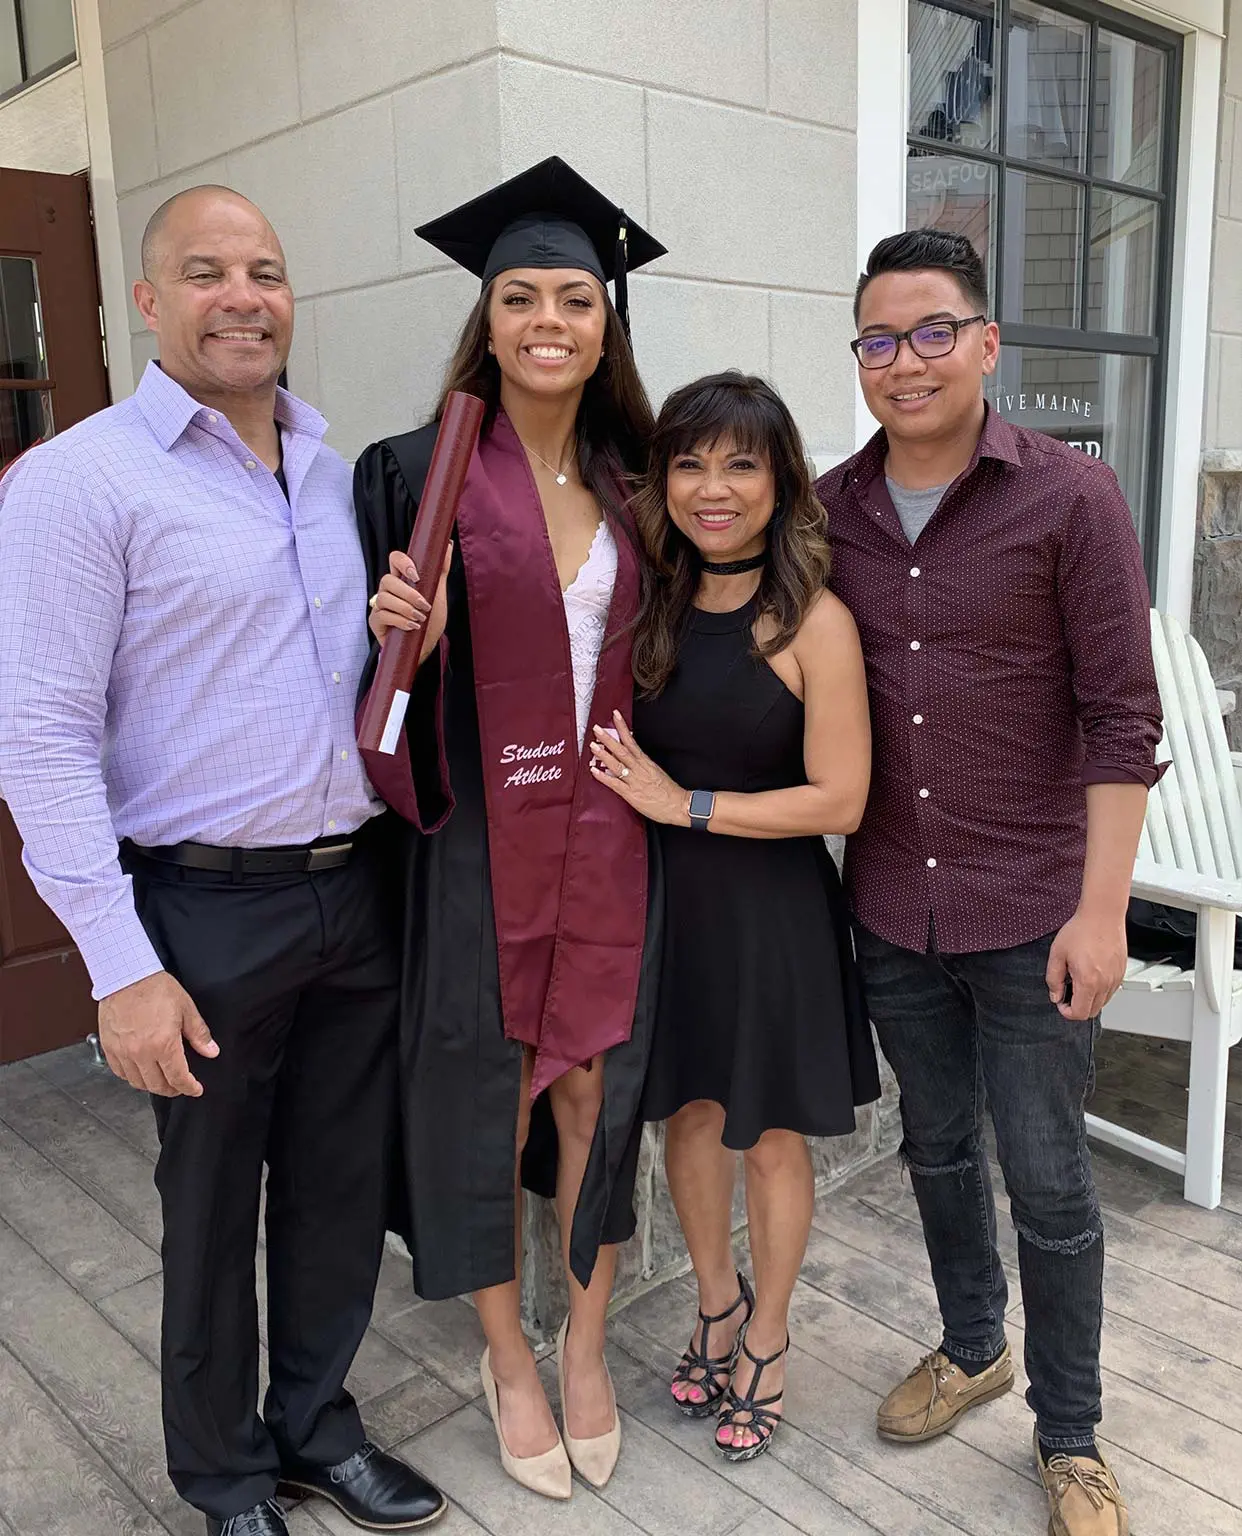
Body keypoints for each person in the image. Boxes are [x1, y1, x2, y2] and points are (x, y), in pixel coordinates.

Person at [0, 186, 445, 1536]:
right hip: (197, 909)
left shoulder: (332, 471)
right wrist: (119, 968)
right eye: (205, 272)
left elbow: (326, 687)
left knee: (333, 1190)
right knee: (208, 1210)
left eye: (265, 268)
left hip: (349, 891)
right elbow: (40, 734)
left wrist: (397, 641)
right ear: (148, 301)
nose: (242, 295)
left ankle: (314, 1425)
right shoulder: (80, 480)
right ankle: (222, 1470)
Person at [818, 229, 1163, 1536]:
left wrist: (1100, 908)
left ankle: (1068, 1436)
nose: (900, 362)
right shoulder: (830, 507)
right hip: (893, 909)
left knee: (1049, 1178)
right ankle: (973, 1345)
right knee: (935, 1147)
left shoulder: (1070, 497)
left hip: (1033, 913)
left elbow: (1120, 716)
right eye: (875, 340)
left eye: (927, 333)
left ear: (982, 344)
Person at [357, 158, 663, 1499]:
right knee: (486, 1088)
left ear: (607, 326)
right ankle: (506, 1351)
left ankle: (584, 1338)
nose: (550, 320)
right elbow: (368, 701)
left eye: (577, 298)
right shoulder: (410, 476)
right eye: (520, 296)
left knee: (597, 1083)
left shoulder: (641, 479)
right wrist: (395, 650)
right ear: (484, 318)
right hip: (478, 839)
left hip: (612, 831)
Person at [588, 371, 879, 1462]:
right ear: (663, 481)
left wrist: (685, 803)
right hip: (667, 912)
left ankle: (766, 1336)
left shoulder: (814, 622)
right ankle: (715, 1299)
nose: (715, 487)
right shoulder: (649, 606)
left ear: (779, 481)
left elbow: (840, 799)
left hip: (770, 915)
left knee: (768, 1135)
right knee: (692, 1121)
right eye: (692, 462)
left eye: (741, 463)